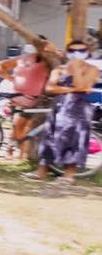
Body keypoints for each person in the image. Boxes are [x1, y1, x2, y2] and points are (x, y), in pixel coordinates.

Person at [30, 41, 100, 184]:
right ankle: (41, 171)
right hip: (59, 107)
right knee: (49, 137)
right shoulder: (59, 69)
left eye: (81, 50)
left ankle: (69, 175)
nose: (77, 53)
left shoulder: (92, 69)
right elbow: (50, 88)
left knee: (74, 140)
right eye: (73, 50)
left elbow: (82, 85)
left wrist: (76, 69)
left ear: (86, 52)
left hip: (80, 109)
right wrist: (71, 89)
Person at [0, 42, 51, 160]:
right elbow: (0, 66)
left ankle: (20, 152)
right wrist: (10, 78)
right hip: (17, 96)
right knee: (17, 125)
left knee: (21, 125)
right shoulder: (21, 59)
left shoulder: (47, 62)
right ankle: (15, 151)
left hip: (33, 99)